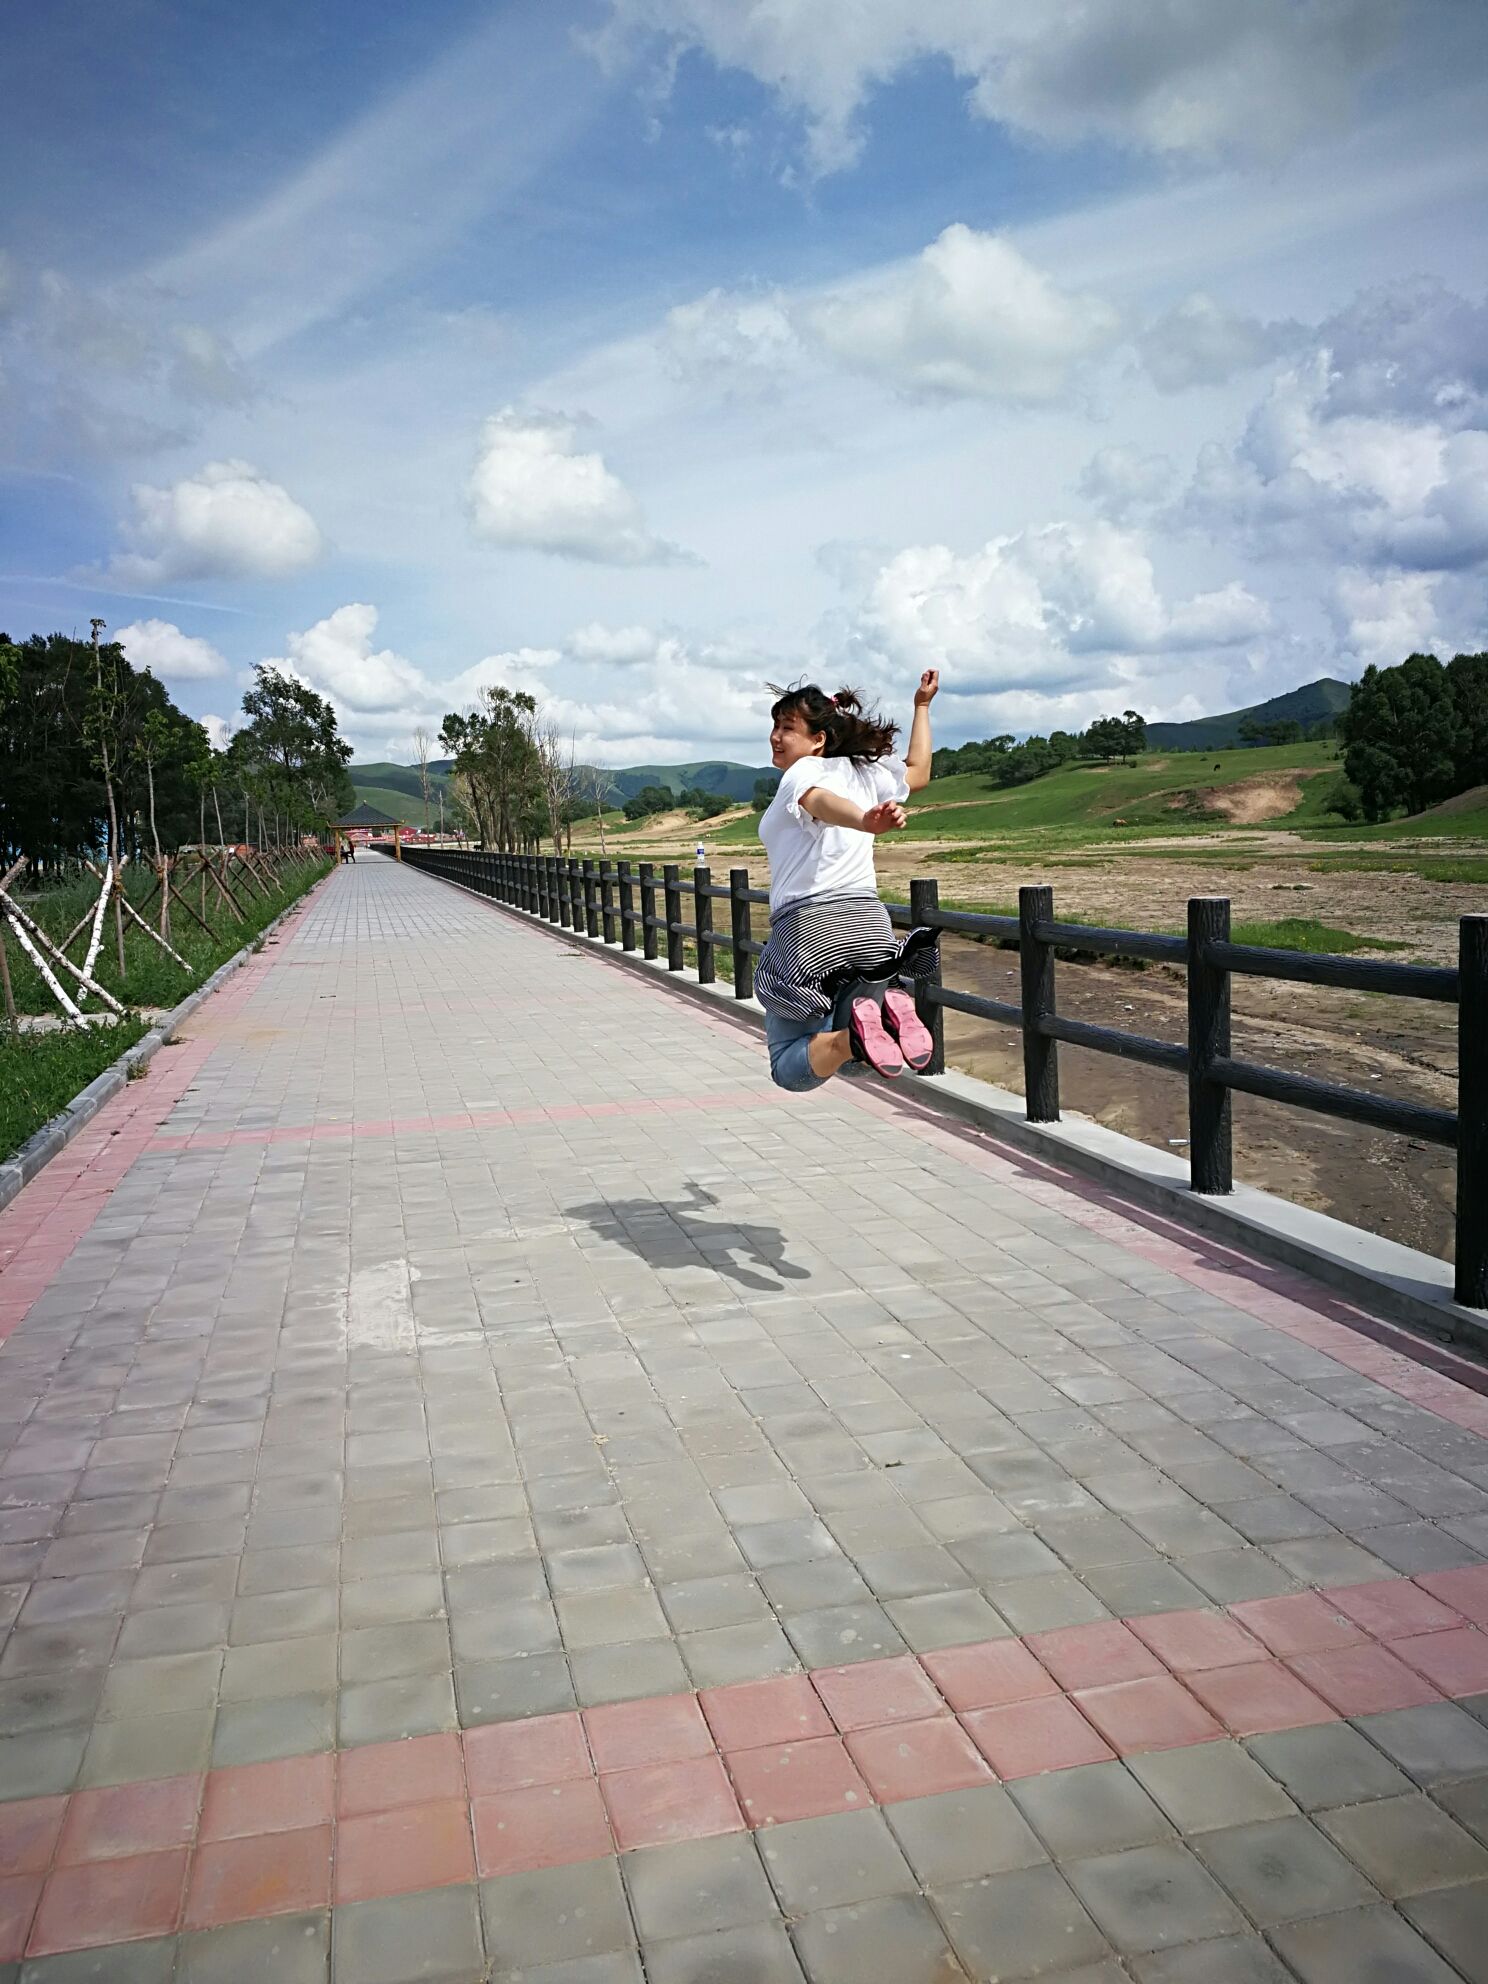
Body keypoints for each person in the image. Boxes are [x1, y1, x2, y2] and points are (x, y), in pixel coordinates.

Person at [755, 670, 939, 1089]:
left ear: (818, 739)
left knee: (789, 1068)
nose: (775, 736)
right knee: (862, 1060)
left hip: (810, 929)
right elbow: (919, 771)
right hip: (871, 925)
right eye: (775, 726)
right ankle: (895, 1003)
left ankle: (858, 1032)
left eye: (788, 728)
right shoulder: (865, 772)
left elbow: (820, 803)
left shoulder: (802, 773)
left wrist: (864, 821)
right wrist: (923, 707)